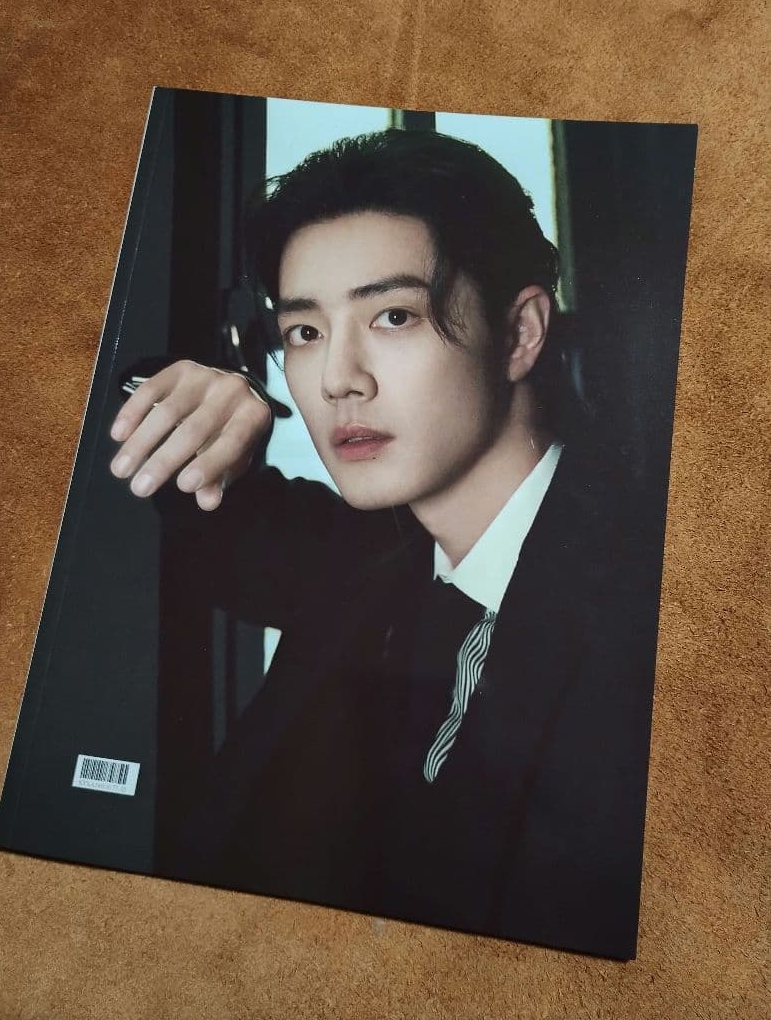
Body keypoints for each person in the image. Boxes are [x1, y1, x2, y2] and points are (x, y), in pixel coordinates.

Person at [108, 130, 657, 960]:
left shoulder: (656, 608)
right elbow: (190, 491)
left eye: (392, 316)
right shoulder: (358, 561)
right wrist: (184, 393)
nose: (338, 378)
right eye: (304, 332)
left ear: (519, 333)